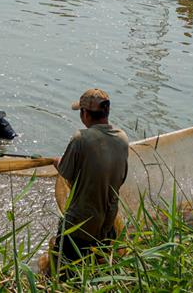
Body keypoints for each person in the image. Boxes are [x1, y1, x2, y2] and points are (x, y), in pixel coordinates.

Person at [49, 88, 128, 273]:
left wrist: (56, 162)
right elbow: (120, 178)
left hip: (77, 227)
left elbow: (65, 173)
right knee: (95, 274)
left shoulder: (80, 139)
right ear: (106, 112)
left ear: (85, 114)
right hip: (106, 227)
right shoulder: (122, 138)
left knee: (65, 275)